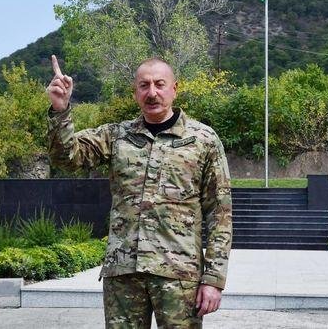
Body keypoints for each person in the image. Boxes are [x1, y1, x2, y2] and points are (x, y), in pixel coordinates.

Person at [46, 54, 232, 328]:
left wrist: (214, 279)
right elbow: (67, 158)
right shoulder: (117, 136)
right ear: (135, 92)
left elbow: (220, 213)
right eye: (144, 85)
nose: (152, 92)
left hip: (179, 275)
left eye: (159, 84)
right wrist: (61, 110)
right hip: (124, 272)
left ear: (174, 88)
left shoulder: (203, 140)